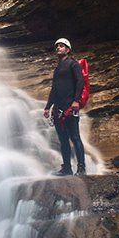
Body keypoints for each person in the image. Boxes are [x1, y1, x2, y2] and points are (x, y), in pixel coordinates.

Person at [43, 37, 86, 176]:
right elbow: (54, 89)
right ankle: (67, 168)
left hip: (70, 107)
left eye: (61, 46)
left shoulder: (73, 64)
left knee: (75, 137)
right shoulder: (57, 68)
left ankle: (81, 168)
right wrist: (47, 107)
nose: (58, 48)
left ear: (67, 49)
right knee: (63, 140)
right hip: (58, 108)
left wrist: (76, 101)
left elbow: (80, 82)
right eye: (57, 46)